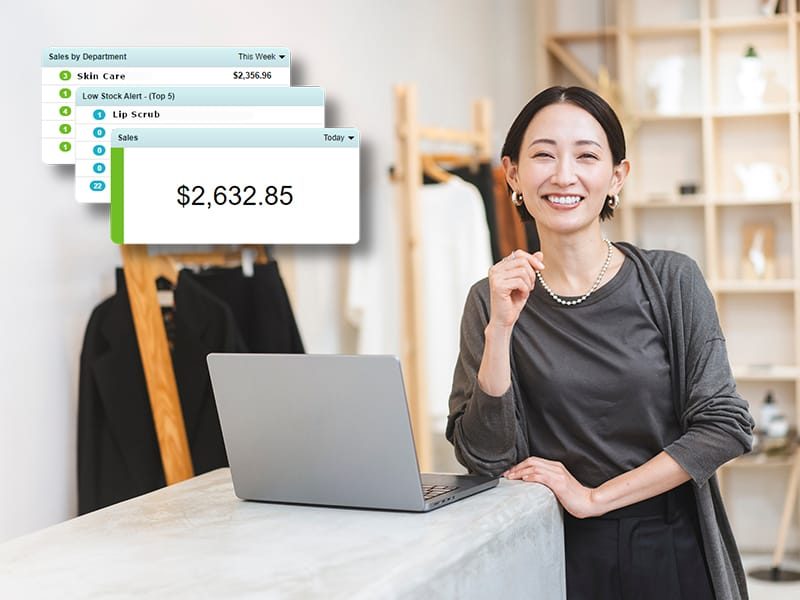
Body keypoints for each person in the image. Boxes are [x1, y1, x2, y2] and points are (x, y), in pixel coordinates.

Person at [446, 86, 754, 600]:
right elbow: (483, 457)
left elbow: (725, 426)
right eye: (543, 154)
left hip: (667, 546)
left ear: (617, 176)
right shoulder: (491, 297)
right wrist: (500, 330)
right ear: (513, 175)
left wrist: (593, 497)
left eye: (586, 155)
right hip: (549, 549)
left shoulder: (670, 280)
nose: (564, 174)